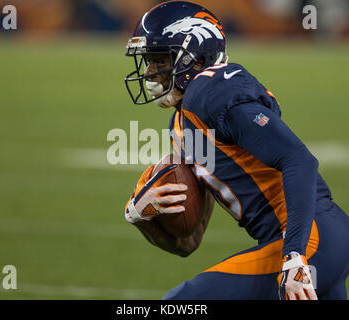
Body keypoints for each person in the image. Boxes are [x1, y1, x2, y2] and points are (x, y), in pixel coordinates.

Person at [123, 1, 349, 300]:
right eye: (148, 61)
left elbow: (299, 160)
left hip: (308, 241)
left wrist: (295, 256)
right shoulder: (181, 124)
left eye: (161, 60)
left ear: (197, 59)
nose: (150, 73)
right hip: (316, 241)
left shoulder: (209, 91)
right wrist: (139, 214)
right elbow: (188, 242)